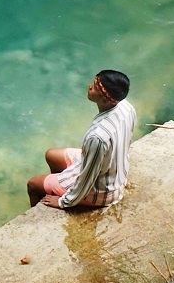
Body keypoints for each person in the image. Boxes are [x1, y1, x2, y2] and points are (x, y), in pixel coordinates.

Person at [27, 70, 136, 210]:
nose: (90, 86)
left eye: (96, 87)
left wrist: (63, 201)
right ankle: (55, 185)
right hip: (111, 170)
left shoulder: (98, 137)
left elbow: (88, 178)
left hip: (101, 191)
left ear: (104, 99)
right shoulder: (126, 107)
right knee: (51, 154)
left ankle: (51, 199)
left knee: (33, 184)